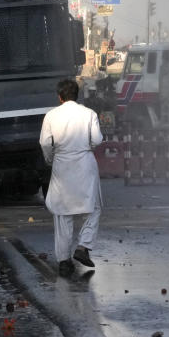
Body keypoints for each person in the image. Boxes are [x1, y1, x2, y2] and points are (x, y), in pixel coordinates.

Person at [40, 79, 104, 277]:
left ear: (59, 97)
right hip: (85, 164)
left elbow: (44, 143)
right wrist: (85, 150)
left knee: (62, 214)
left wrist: (51, 159)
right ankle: (83, 247)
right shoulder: (89, 114)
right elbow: (97, 140)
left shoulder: (51, 116)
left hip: (62, 165)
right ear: (77, 95)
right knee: (93, 207)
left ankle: (64, 262)